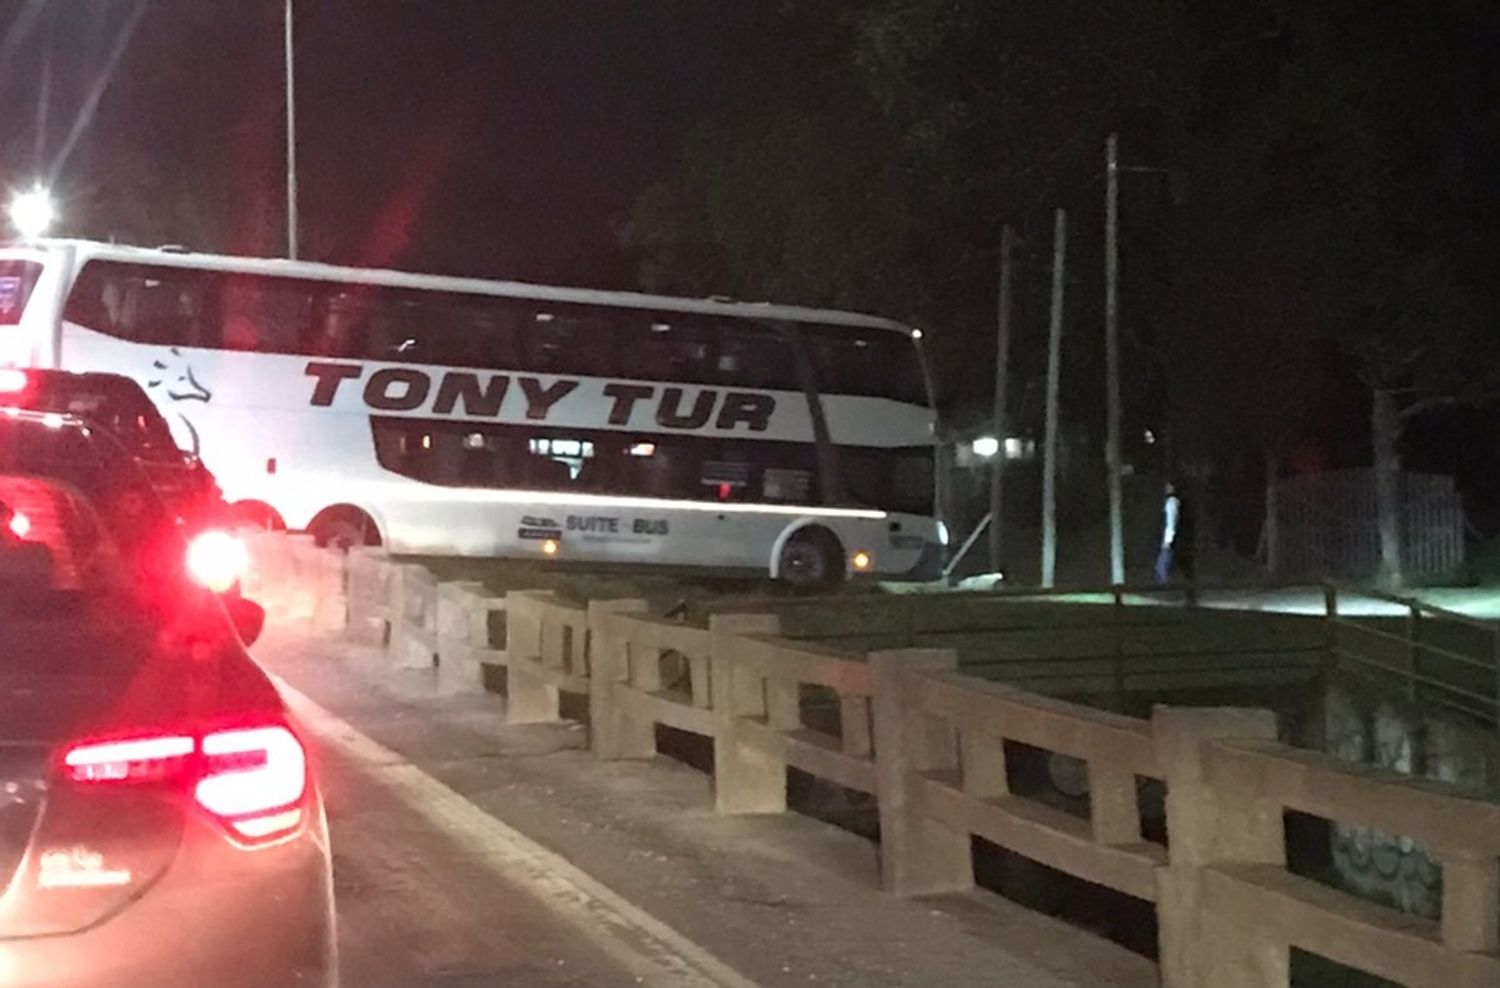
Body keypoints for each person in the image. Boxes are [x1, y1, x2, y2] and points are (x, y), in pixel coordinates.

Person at [1155, 479, 1195, 585]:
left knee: (1162, 566)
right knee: (1183, 566)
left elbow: (1170, 521)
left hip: (1174, 539)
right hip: (1181, 538)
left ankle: (1164, 588)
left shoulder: (1171, 502)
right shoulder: (1181, 502)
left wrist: (1167, 540)